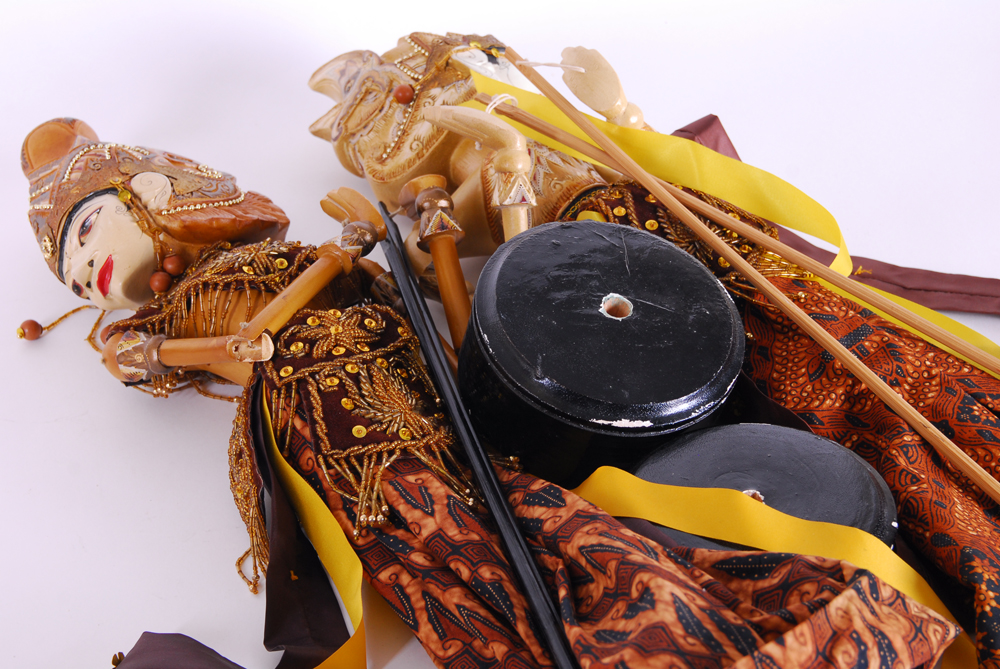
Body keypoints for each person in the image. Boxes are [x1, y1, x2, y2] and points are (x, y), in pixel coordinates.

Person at [21, 117, 963, 669]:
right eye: (73, 268)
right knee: (454, 534)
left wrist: (424, 248)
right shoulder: (186, 315)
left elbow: (455, 339)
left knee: (504, 499)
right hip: (332, 410)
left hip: (395, 377)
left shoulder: (273, 258)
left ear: (157, 195)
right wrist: (222, 341)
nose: (92, 269)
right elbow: (234, 349)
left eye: (93, 232)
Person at [308, 32, 1000, 666]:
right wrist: (483, 175)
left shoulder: (522, 127)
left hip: (648, 236)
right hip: (599, 255)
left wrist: (614, 121)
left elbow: (604, 174)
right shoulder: (465, 164)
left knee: (837, 352)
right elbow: (465, 260)